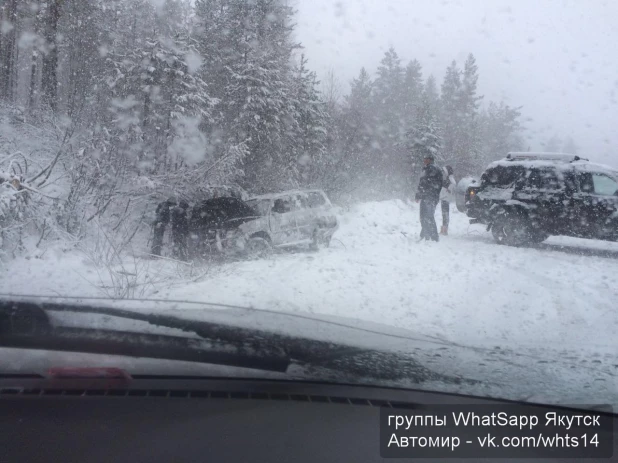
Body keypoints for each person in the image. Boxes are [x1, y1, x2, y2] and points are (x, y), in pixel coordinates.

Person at [415, 154, 443, 242]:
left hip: (430, 196)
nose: (424, 160)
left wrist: (423, 193)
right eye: (424, 159)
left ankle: (434, 237)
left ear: (430, 160)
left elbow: (428, 183)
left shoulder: (433, 168)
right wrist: (419, 195)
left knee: (428, 216)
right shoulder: (426, 168)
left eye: (426, 159)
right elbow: (422, 183)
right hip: (426, 196)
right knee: (423, 216)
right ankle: (425, 234)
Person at [439, 165, 456, 235]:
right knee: (444, 214)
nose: (443, 172)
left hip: (446, 199)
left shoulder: (450, 178)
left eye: (444, 171)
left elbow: (454, 184)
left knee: (445, 214)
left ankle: (444, 230)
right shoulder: (447, 178)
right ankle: (444, 229)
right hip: (444, 198)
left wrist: (448, 189)